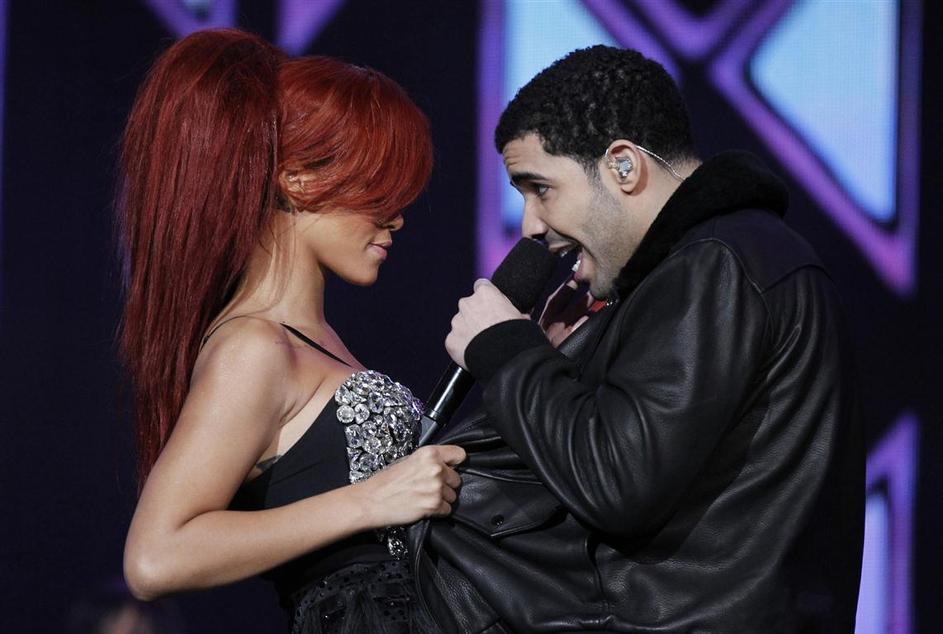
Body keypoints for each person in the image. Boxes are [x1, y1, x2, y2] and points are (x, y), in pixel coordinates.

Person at [412, 45, 863, 632]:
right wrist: (564, 363)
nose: (530, 226)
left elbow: (617, 483)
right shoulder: (721, 260)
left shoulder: (713, 265)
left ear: (623, 167)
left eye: (540, 189)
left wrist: (507, 351)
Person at [118, 29, 463, 633]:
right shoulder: (254, 347)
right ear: (297, 179)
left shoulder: (309, 342)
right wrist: (371, 500)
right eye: (378, 189)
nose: (397, 217)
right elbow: (155, 558)